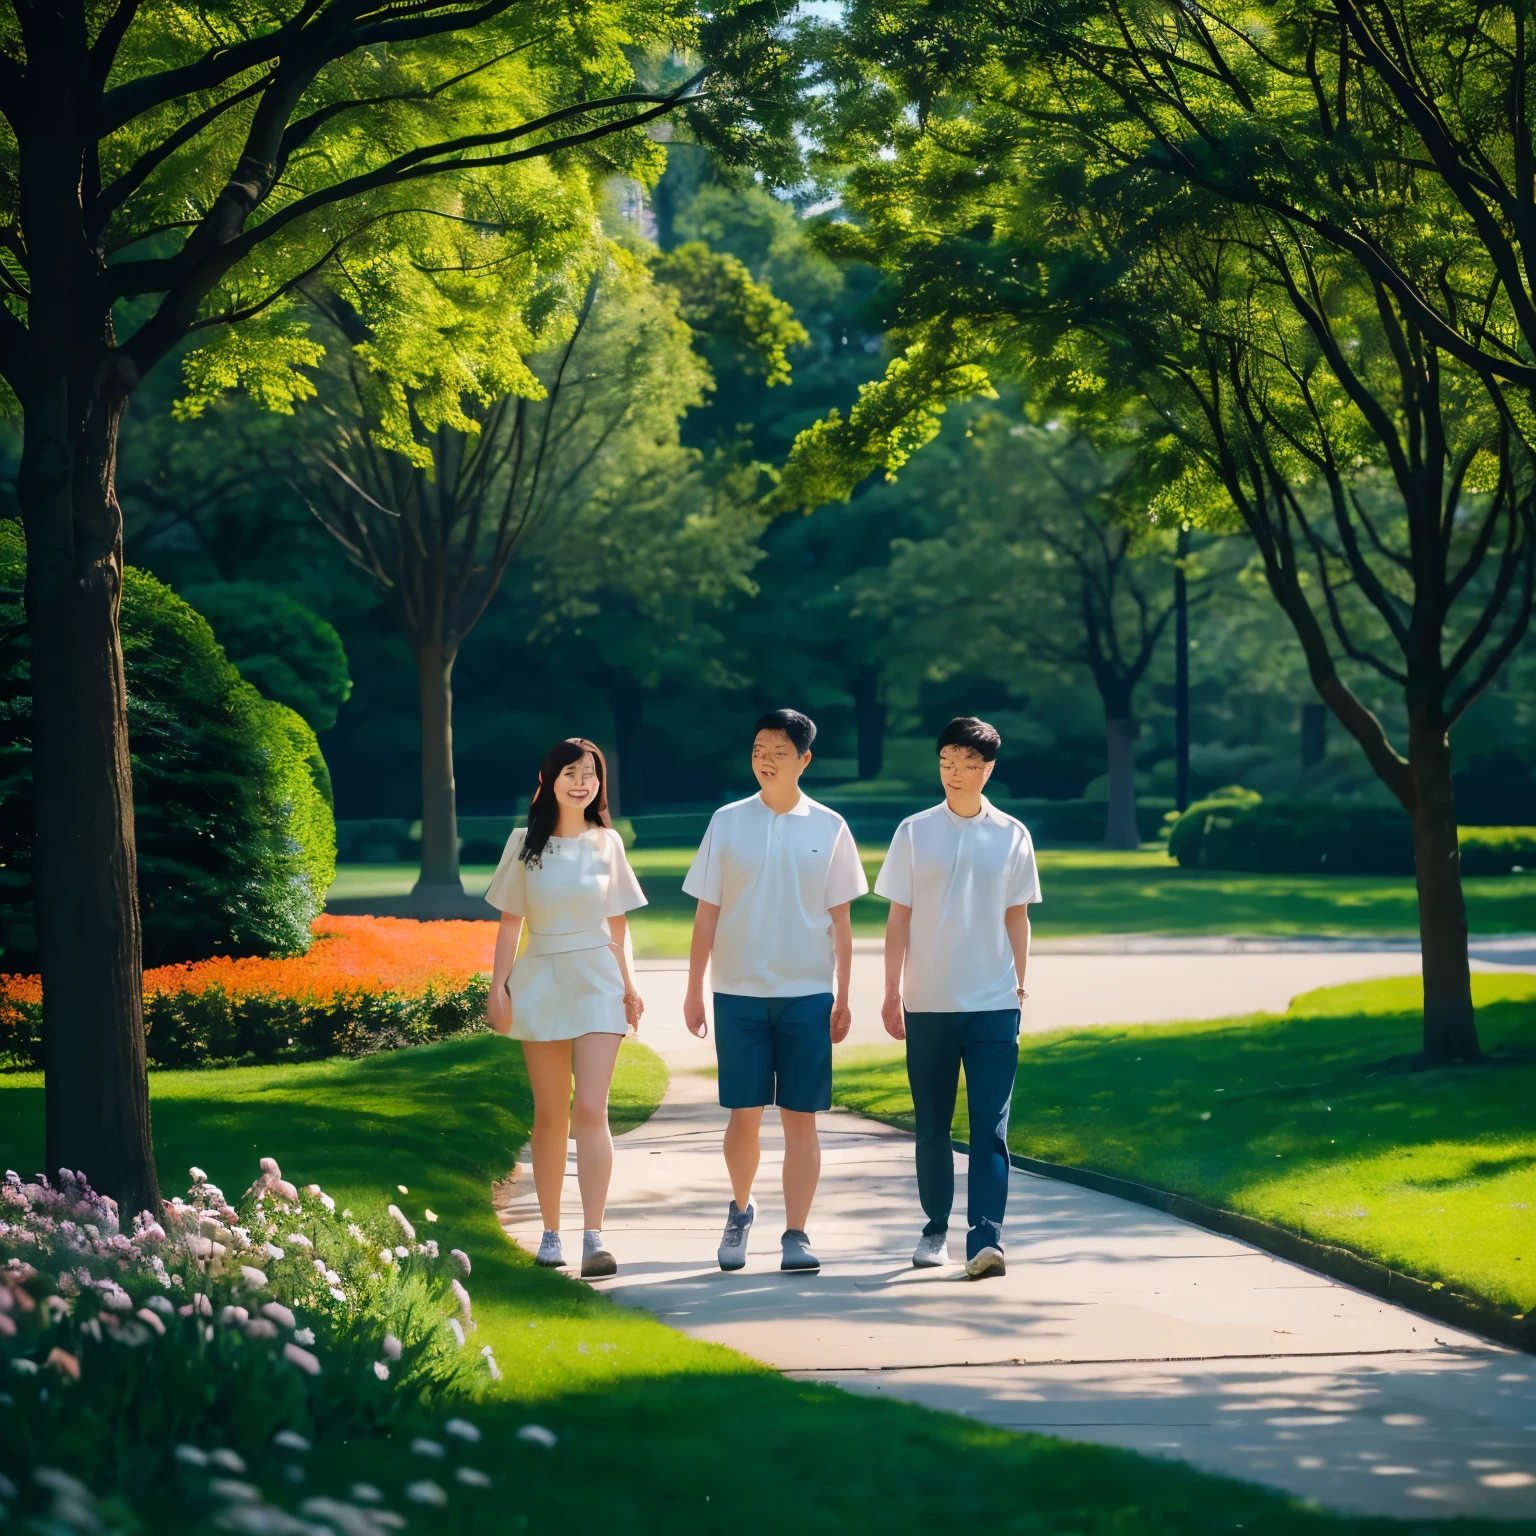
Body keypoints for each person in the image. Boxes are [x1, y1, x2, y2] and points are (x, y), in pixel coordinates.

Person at [682, 708, 868, 1273]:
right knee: (743, 1114)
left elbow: (841, 920)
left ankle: (797, 1235)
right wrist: (694, 989)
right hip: (736, 990)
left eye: (779, 751)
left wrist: (844, 993)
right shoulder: (727, 821)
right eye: (759, 748)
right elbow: (706, 912)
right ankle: (740, 1210)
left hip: (808, 991)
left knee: (801, 1117)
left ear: (804, 760)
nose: (765, 758)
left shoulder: (830, 826)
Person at [875, 716, 1041, 1280]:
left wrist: (1020, 984)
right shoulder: (915, 831)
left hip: (994, 1002)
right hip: (928, 1001)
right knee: (933, 1125)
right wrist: (891, 990)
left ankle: (985, 1239)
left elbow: (1016, 916)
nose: (954, 773)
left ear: (987, 769)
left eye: (967, 764)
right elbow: (899, 916)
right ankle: (934, 1227)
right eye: (946, 762)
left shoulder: (1013, 834)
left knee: (991, 1127)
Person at [485, 737, 647, 1279]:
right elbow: (510, 922)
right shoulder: (522, 844)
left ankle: (594, 1236)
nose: (582, 782)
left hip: (599, 978)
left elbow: (620, 925)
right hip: (542, 977)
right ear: (549, 778)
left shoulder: (608, 843)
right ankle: (551, 1234)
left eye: (591, 774)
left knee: (592, 1110)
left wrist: (630, 985)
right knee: (551, 1112)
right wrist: (498, 988)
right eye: (571, 772)